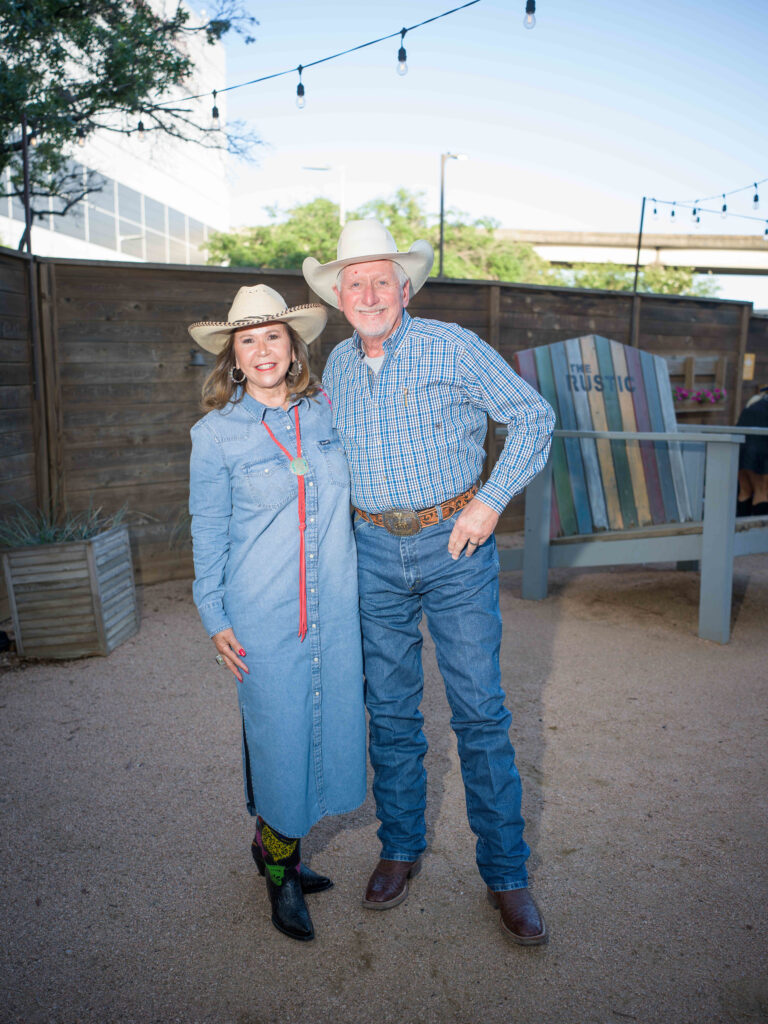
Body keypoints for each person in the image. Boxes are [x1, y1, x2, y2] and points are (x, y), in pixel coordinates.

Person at [303, 220, 556, 946]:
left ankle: (507, 873)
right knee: (389, 710)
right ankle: (401, 846)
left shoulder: (451, 345)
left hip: (455, 548)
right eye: (356, 282)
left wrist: (487, 500)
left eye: (383, 279)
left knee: (479, 710)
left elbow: (532, 416)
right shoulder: (340, 368)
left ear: (404, 288)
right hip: (372, 551)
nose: (370, 292)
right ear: (340, 296)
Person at [187, 284, 366, 943]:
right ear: (233, 356)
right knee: (280, 741)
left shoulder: (327, 415)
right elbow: (207, 530)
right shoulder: (214, 436)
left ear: (294, 347)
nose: (262, 350)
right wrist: (214, 615)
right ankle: (281, 871)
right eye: (247, 339)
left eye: (273, 336)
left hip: (335, 611)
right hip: (261, 613)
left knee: (328, 733)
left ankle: (279, 847)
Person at [736, 385, 768, 516]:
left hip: (740, 451)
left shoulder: (752, 404)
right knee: (762, 492)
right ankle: (759, 533)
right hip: (761, 454)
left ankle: (740, 530)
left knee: (744, 491)